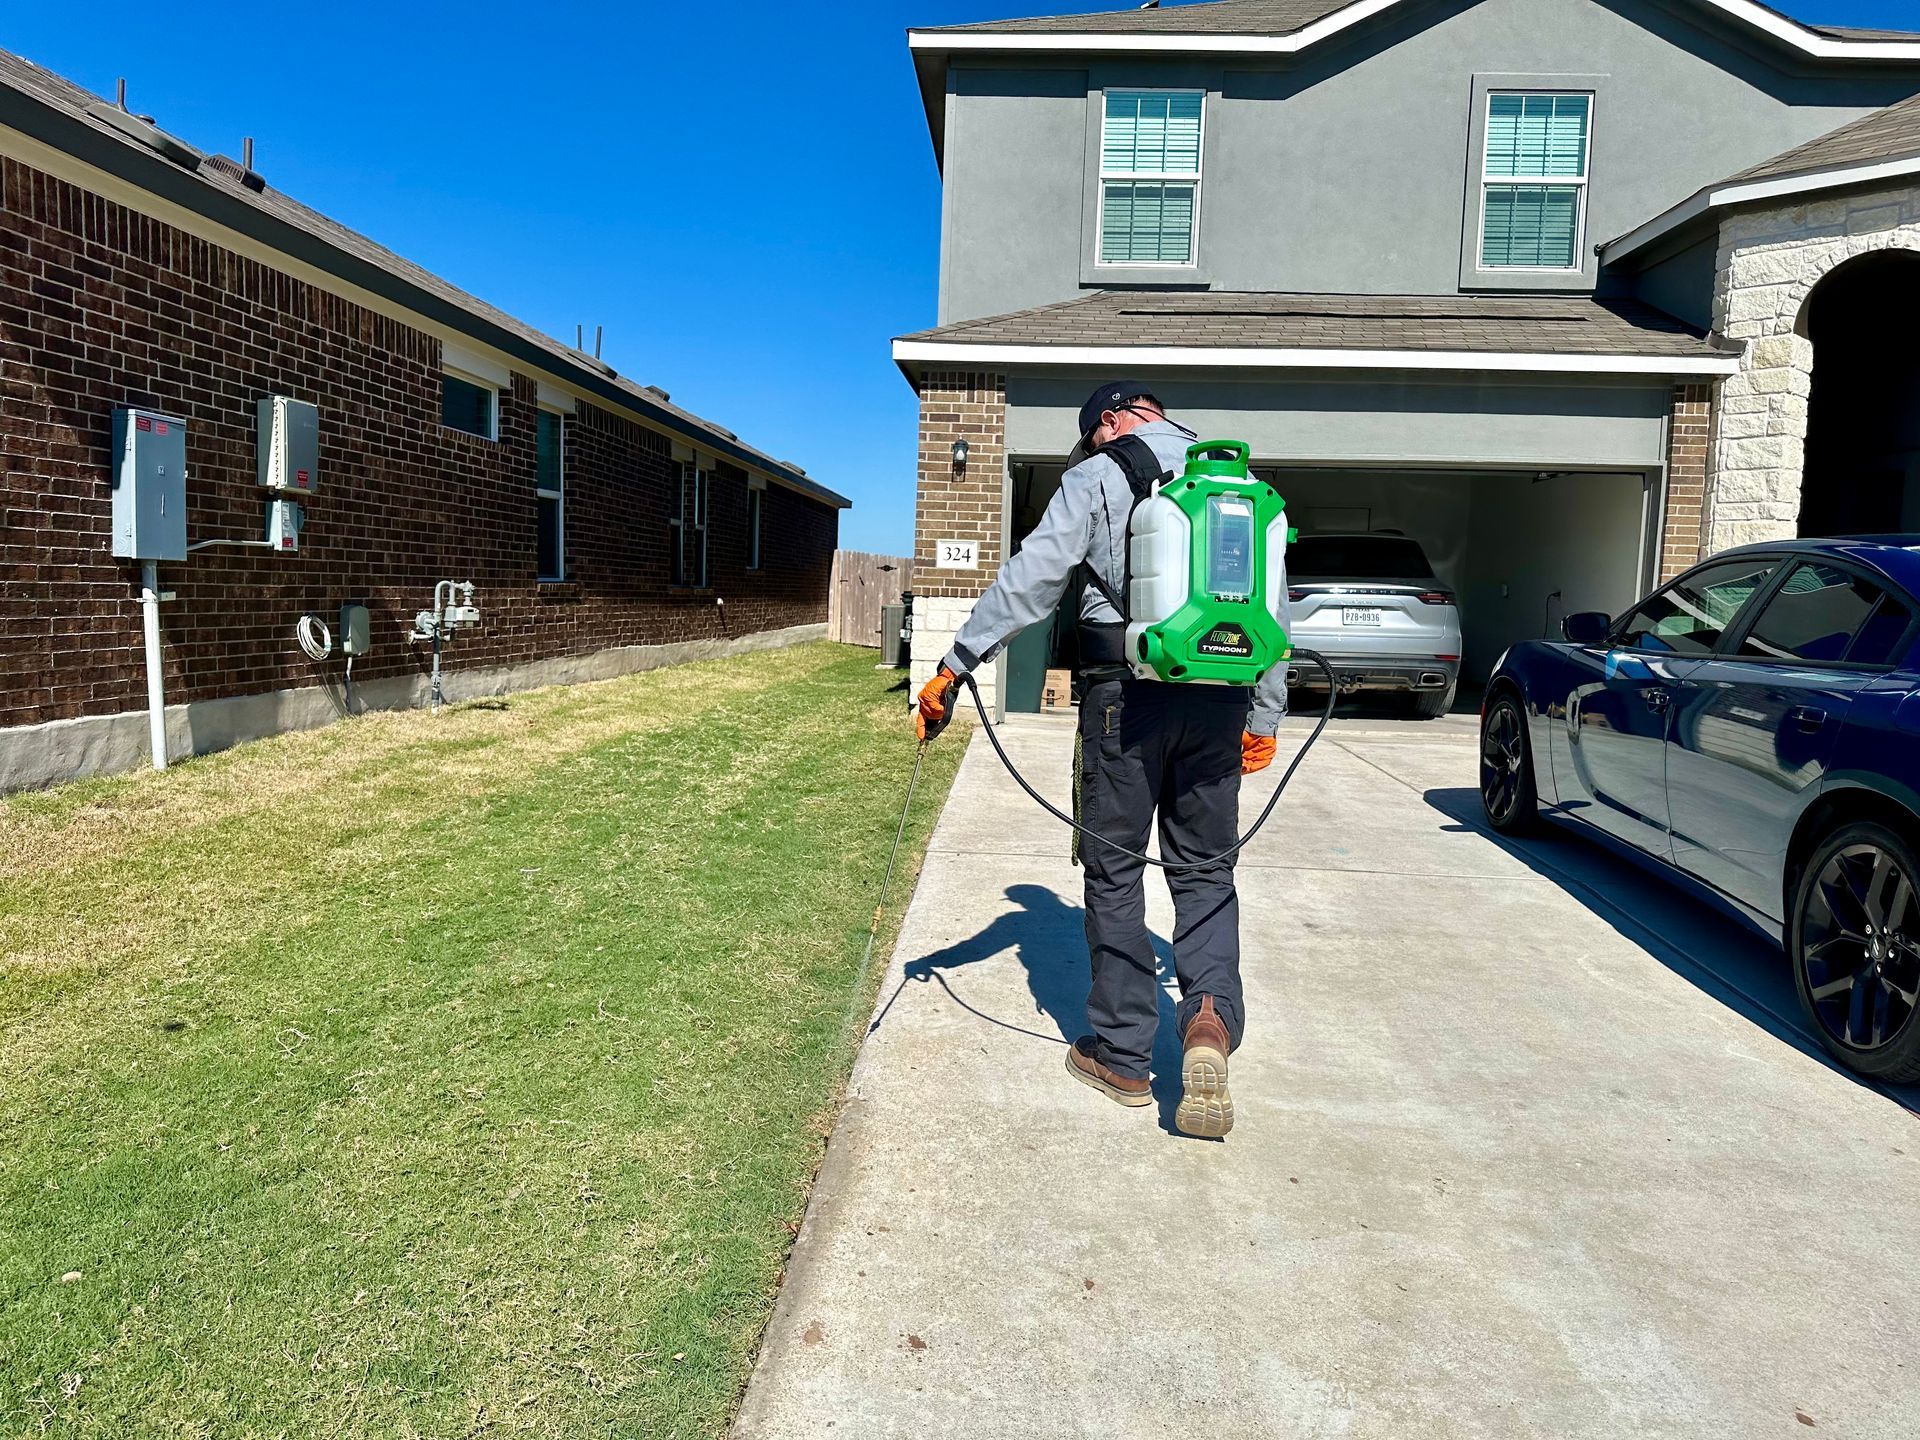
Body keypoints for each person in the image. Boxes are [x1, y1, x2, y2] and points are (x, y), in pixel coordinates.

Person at [914, 381, 1289, 1138]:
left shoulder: (1097, 476)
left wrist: (954, 665)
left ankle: (1122, 1058)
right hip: (1220, 703)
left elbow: (1034, 578)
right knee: (1206, 870)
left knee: (1115, 868)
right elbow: (1272, 604)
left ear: (1111, 422)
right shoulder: (1240, 486)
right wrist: (1266, 713)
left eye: (1093, 435)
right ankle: (1209, 1020)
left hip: (1123, 700)